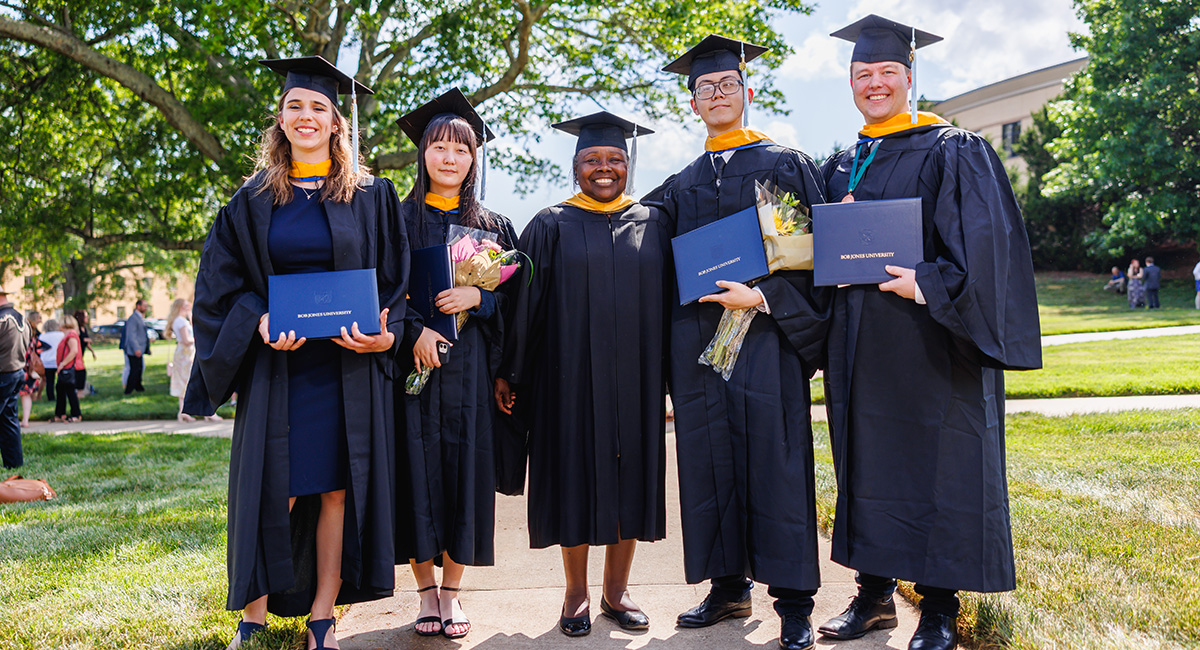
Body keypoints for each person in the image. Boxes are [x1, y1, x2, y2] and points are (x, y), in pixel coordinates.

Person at [817, 16, 1042, 650]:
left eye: (887, 72)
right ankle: (874, 598)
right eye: (863, 74)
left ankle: (940, 606)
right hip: (860, 344)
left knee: (940, 464)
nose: (875, 83)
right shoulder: (842, 165)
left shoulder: (952, 151)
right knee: (866, 462)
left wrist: (924, 283)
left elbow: (986, 250)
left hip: (931, 338)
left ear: (910, 79)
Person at [182, 55, 408, 650]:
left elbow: (394, 282)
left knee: (336, 488)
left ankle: (323, 618)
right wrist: (256, 321)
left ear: (337, 122)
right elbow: (219, 287)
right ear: (280, 121)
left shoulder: (371, 195)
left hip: (345, 366)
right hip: (278, 365)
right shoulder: (251, 201)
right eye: (294, 107)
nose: (306, 117)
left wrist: (385, 333)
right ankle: (252, 615)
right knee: (272, 484)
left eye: (319, 108)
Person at [642, 35, 830, 650]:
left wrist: (765, 297)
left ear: (747, 93)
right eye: (705, 88)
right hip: (701, 347)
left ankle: (794, 601)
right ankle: (727, 588)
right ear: (691, 103)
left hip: (767, 341)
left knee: (776, 464)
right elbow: (637, 246)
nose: (717, 95)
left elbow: (812, 253)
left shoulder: (783, 164)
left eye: (727, 85)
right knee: (709, 461)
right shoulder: (682, 183)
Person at [498, 110, 668, 638]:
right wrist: (512, 372)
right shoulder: (549, 224)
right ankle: (575, 593)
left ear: (628, 165)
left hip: (637, 381)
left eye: (614, 159)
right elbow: (523, 304)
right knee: (572, 477)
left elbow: (670, 305)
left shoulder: (654, 222)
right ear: (575, 166)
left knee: (630, 479)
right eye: (592, 159)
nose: (604, 168)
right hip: (566, 379)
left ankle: (616, 593)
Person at [391, 89, 518, 640]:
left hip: (468, 373)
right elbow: (379, 287)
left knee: (467, 476)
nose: (448, 157)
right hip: (411, 371)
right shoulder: (393, 220)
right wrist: (412, 331)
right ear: (422, 154)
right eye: (438, 146)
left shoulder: (493, 227)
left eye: (460, 149)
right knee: (416, 475)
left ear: (473, 159)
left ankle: (453, 594)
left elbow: (516, 305)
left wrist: (480, 300)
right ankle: (423, 592)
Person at [167, 298, 214, 422]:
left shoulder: (179, 320)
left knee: (184, 381)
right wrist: (199, 339)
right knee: (192, 380)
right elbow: (187, 340)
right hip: (186, 355)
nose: (188, 307)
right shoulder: (181, 322)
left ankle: (183, 411)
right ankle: (205, 412)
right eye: (186, 306)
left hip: (183, 354)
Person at [0, 286, 31, 469]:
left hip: (2, 374)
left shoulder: (2, 319)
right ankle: (14, 464)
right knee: (9, 420)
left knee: (8, 420)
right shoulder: (22, 318)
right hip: (16, 372)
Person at [52, 314, 84, 423]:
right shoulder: (68, 335)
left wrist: (62, 364)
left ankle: (76, 414)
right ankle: (60, 414)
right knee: (60, 389)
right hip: (66, 368)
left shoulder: (71, 335)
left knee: (70, 392)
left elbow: (74, 351)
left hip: (70, 368)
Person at [18, 311, 46, 427]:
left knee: (13, 395)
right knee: (26, 395)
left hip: (20, 367)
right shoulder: (35, 336)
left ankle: (18, 421)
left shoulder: (21, 335)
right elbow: (41, 348)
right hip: (31, 368)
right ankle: (25, 420)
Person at [122, 299, 150, 394]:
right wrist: (136, 348)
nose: (146, 308)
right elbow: (131, 335)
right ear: (138, 306)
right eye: (144, 306)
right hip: (133, 350)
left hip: (140, 348)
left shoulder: (139, 318)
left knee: (139, 368)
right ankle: (129, 389)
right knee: (134, 369)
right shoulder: (133, 319)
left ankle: (138, 386)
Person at [73, 309, 97, 397]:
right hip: (75, 354)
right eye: (86, 316)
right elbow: (78, 339)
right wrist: (87, 339)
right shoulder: (77, 328)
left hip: (81, 354)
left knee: (81, 371)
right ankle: (77, 390)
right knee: (80, 372)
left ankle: (80, 389)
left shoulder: (84, 328)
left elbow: (85, 343)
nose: (87, 318)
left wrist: (92, 351)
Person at [38, 319, 63, 403]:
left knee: (49, 382)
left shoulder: (42, 336)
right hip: (59, 361)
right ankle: (62, 396)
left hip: (46, 362)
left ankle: (51, 398)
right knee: (61, 381)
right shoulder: (61, 335)